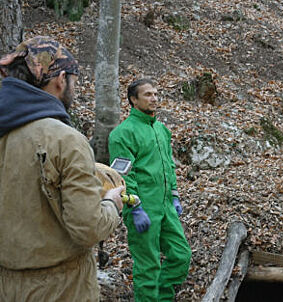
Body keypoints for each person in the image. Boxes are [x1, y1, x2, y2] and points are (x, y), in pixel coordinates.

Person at [0, 36, 124, 301]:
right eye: (74, 83)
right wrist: (112, 204)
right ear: (60, 79)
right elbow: (88, 228)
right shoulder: (65, 140)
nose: (74, 91)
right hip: (61, 288)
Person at [108, 78, 191, 301]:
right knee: (148, 267)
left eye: (155, 93)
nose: (154, 98)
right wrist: (135, 206)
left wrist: (174, 195)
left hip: (165, 206)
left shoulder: (161, 130)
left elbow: (169, 165)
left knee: (181, 255)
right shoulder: (122, 134)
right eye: (147, 94)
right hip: (143, 207)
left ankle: (162, 297)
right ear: (133, 100)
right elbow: (123, 175)